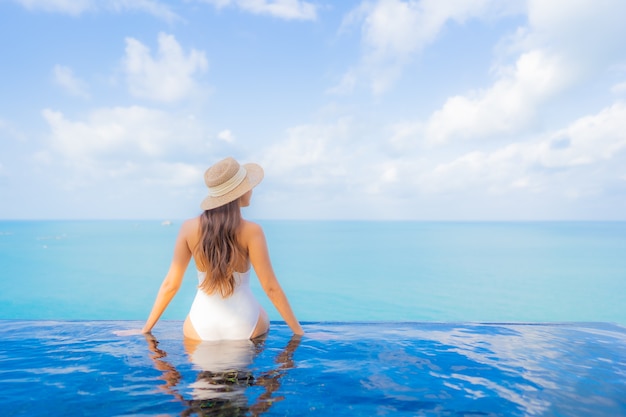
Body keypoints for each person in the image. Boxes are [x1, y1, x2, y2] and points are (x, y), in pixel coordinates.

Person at [141, 157, 304, 340]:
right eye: (247, 185)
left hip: (200, 325)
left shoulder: (188, 228)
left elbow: (171, 285)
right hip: (245, 325)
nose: (251, 190)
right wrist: (299, 333)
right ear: (238, 192)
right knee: (260, 313)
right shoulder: (252, 231)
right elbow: (271, 288)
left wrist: (145, 330)